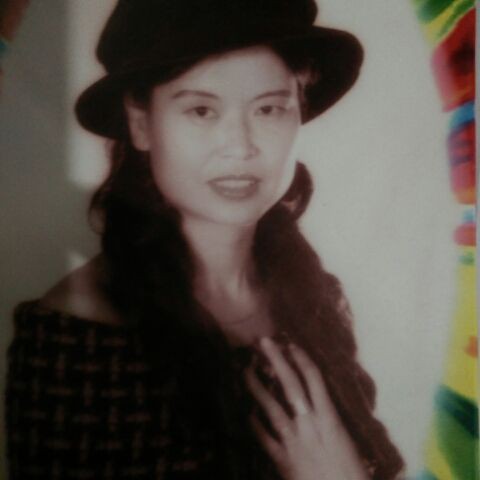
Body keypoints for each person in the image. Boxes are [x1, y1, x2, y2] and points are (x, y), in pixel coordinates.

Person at [5, 0, 405, 478]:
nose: (240, 146)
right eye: (201, 110)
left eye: (268, 108)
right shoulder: (75, 336)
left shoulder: (316, 297)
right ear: (140, 122)